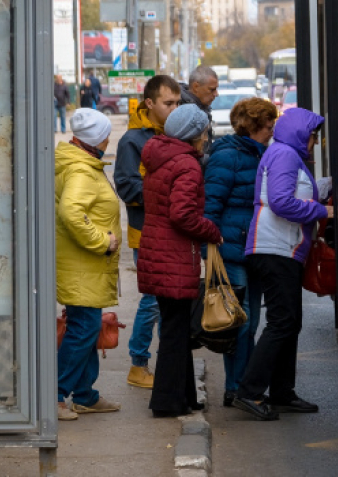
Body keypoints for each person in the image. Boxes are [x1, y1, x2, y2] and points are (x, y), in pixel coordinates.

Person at [232, 108, 334, 421]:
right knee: (282, 322)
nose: (315, 142)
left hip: (283, 249)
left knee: (289, 322)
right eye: (314, 135)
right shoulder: (286, 155)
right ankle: (249, 391)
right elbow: (280, 202)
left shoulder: (284, 154)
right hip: (275, 249)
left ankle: (282, 393)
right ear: (302, 133)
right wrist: (321, 211)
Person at [137, 104, 222, 417]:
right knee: (175, 333)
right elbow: (182, 214)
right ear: (193, 133)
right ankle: (167, 402)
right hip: (172, 255)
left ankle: (184, 397)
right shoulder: (186, 164)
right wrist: (211, 230)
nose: (205, 134)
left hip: (158, 252)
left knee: (177, 329)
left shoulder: (159, 155)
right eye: (203, 129)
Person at [202, 97, 278, 407]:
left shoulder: (262, 153)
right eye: (269, 124)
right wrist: (212, 250)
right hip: (232, 251)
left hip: (256, 249)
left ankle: (243, 384)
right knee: (239, 322)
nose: (272, 129)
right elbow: (211, 206)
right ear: (255, 126)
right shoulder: (228, 156)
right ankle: (237, 386)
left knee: (251, 321)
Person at [113, 75, 182, 389]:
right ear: (150, 103)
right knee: (153, 299)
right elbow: (127, 187)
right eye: (169, 103)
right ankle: (138, 363)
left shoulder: (177, 132)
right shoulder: (132, 140)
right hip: (147, 230)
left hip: (175, 228)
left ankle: (166, 364)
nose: (174, 109)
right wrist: (168, 193)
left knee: (169, 300)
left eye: (178, 103)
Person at [54, 108, 122, 421]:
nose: (109, 139)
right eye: (106, 134)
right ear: (97, 139)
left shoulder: (82, 162)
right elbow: (71, 213)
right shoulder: (81, 170)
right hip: (83, 262)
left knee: (87, 327)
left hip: (84, 265)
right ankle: (55, 395)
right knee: (84, 328)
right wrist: (101, 241)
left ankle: (85, 395)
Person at [179, 65, 219, 155]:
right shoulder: (183, 111)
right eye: (212, 90)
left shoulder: (201, 107)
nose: (216, 94)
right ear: (196, 87)